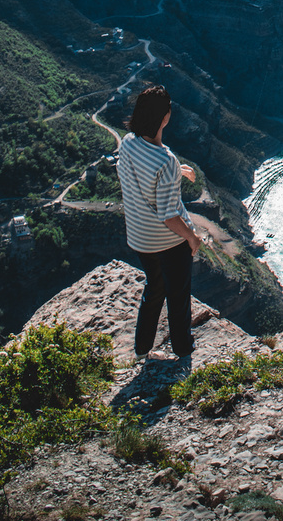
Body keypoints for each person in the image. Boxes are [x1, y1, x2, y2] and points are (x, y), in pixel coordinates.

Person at [116, 85, 202, 360]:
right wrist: (191, 237)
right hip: (168, 242)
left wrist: (177, 172)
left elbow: (146, 170)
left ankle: (142, 348)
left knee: (155, 288)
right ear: (165, 117)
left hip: (140, 239)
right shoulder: (167, 162)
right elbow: (169, 216)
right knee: (178, 295)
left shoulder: (128, 142)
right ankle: (183, 348)